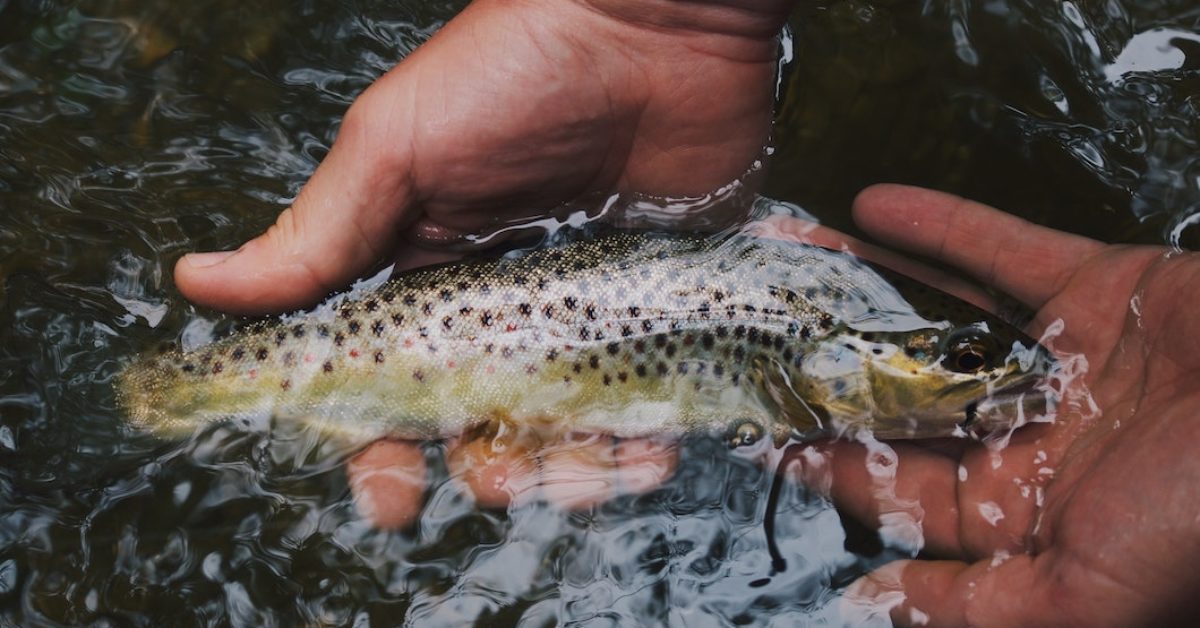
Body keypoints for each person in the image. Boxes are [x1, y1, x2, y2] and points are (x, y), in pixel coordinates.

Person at [171, 0, 1200, 624]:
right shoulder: (817, 342)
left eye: (970, 363)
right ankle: (177, 398)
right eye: (964, 360)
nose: (999, 374)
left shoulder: (811, 339)